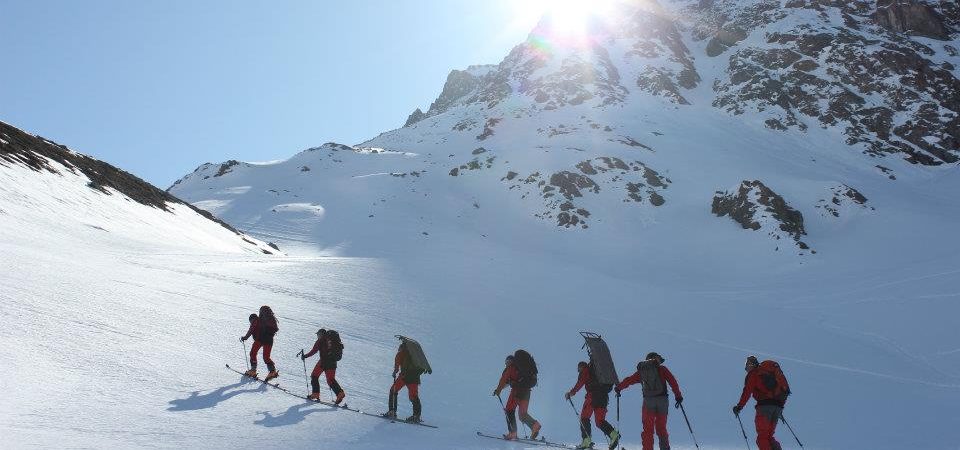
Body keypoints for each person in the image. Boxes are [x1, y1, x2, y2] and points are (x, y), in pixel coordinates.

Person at [616, 352, 683, 450]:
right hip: (663, 402)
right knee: (661, 428)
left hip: (648, 402)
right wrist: (678, 396)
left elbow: (629, 380)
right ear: (655, 359)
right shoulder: (662, 369)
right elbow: (673, 381)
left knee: (648, 429)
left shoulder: (642, 371)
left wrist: (619, 388)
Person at [733, 356, 790, 450]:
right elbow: (783, 391)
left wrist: (739, 406)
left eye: (746, 365)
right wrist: (780, 409)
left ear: (751, 365)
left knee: (762, 438)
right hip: (777, 407)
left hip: (764, 408)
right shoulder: (770, 374)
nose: (746, 368)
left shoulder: (754, 374)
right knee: (769, 437)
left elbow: (747, 391)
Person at [566, 361, 620, 450]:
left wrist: (571, 392)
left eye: (579, 369)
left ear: (582, 367)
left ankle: (586, 441)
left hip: (592, 396)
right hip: (603, 397)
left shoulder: (586, 370)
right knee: (599, 421)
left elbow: (580, 382)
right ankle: (614, 435)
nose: (578, 371)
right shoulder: (597, 372)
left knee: (584, 417)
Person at [493, 354, 542, 440]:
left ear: (510, 361)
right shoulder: (520, 370)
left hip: (516, 392)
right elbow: (507, 383)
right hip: (526, 392)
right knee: (522, 414)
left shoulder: (511, 368)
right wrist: (499, 389)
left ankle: (513, 433)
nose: (506, 364)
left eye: (507, 362)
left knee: (509, 410)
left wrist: (498, 390)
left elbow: (503, 380)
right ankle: (535, 426)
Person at [301, 329, 346, 404]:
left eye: (318, 334)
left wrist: (305, 356)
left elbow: (314, 351)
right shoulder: (331, 340)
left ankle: (315, 393)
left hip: (324, 361)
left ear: (321, 334)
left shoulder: (320, 340)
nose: (317, 336)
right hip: (333, 362)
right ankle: (340, 393)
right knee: (331, 379)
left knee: (314, 376)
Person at [385, 341, 424, 423]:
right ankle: (416, 416)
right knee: (413, 396)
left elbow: (396, 367)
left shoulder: (400, 353)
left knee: (393, 390)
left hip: (404, 376)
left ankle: (392, 411)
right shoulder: (415, 355)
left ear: (402, 347)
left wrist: (394, 372)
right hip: (414, 378)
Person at [248, 305, 279, 380]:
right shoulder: (269, 319)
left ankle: (253, 370)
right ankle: (272, 371)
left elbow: (251, 330)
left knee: (253, 353)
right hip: (269, 340)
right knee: (266, 356)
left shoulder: (257, 320)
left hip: (260, 339)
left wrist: (245, 337)